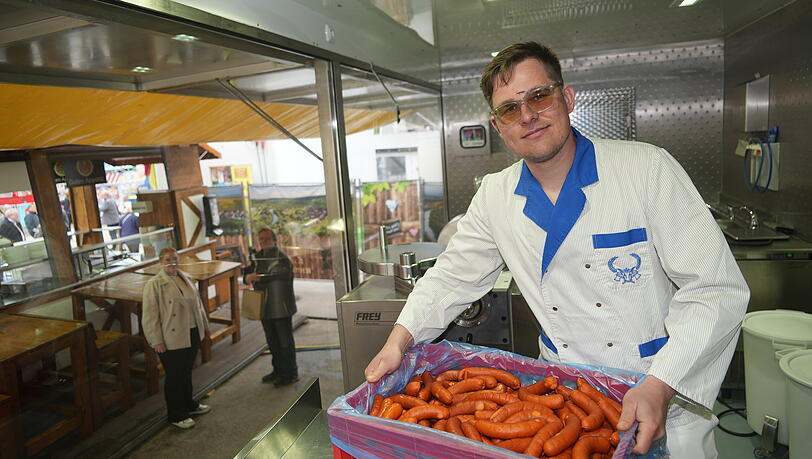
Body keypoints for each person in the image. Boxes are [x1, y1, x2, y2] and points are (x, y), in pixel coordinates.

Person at [364, 42, 748, 459]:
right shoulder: (496, 194)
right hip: (566, 404)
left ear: (566, 97)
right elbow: (450, 277)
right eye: (510, 109)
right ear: (499, 126)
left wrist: (662, 383)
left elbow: (716, 289)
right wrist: (397, 343)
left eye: (538, 96)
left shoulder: (646, 169)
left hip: (662, 392)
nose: (527, 115)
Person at [142, 247, 211, 429]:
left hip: (192, 332)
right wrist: (156, 341)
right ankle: (176, 414)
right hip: (171, 337)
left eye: (174, 258)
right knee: (174, 376)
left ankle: (189, 404)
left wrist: (204, 326)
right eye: (167, 259)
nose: (172, 262)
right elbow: (150, 316)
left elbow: (198, 305)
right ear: (160, 262)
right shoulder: (154, 284)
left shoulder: (185, 278)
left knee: (186, 372)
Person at [243, 228, 299, 386]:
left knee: (285, 343)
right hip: (264, 307)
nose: (264, 241)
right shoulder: (257, 257)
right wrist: (247, 277)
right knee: (272, 341)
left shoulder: (282, 258)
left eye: (267, 239)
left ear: (274, 240)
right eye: (261, 239)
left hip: (281, 308)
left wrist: (257, 277)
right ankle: (278, 370)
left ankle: (290, 373)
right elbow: (246, 275)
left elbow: (281, 276)